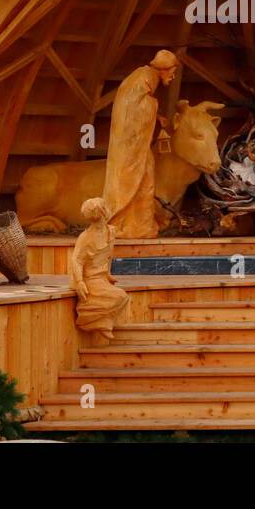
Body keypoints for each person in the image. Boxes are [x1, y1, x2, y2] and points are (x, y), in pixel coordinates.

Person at [102, 50, 179, 238]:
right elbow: (132, 109)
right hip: (130, 147)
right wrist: (154, 110)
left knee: (146, 180)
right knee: (137, 179)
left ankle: (140, 226)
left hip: (137, 146)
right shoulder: (142, 77)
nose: (174, 76)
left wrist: (156, 114)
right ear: (164, 68)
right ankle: (122, 224)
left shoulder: (144, 79)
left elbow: (137, 105)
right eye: (172, 72)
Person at [70, 197, 130, 345]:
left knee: (122, 298)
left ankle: (102, 322)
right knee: (119, 296)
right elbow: (77, 260)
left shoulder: (111, 231)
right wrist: (79, 281)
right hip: (91, 279)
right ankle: (92, 321)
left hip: (102, 277)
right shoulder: (86, 238)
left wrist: (108, 274)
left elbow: (108, 256)